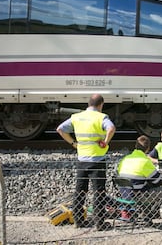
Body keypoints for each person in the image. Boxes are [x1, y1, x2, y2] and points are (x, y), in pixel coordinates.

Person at [56, 94, 116, 230]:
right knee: (98, 192)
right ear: (101, 105)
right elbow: (111, 129)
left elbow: (60, 129)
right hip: (97, 160)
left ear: (88, 104)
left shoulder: (76, 117)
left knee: (80, 191)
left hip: (82, 160)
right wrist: (105, 142)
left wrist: (73, 143)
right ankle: (99, 223)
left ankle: (78, 220)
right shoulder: (101, 117)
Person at [116, 135, 162, 222]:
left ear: (136, 146)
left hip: (124, 194)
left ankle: (147, 215)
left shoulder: (125, 159)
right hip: (137, 196)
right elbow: (157, 181)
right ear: (148, 148)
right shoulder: (145, 161)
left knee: (145, 188)